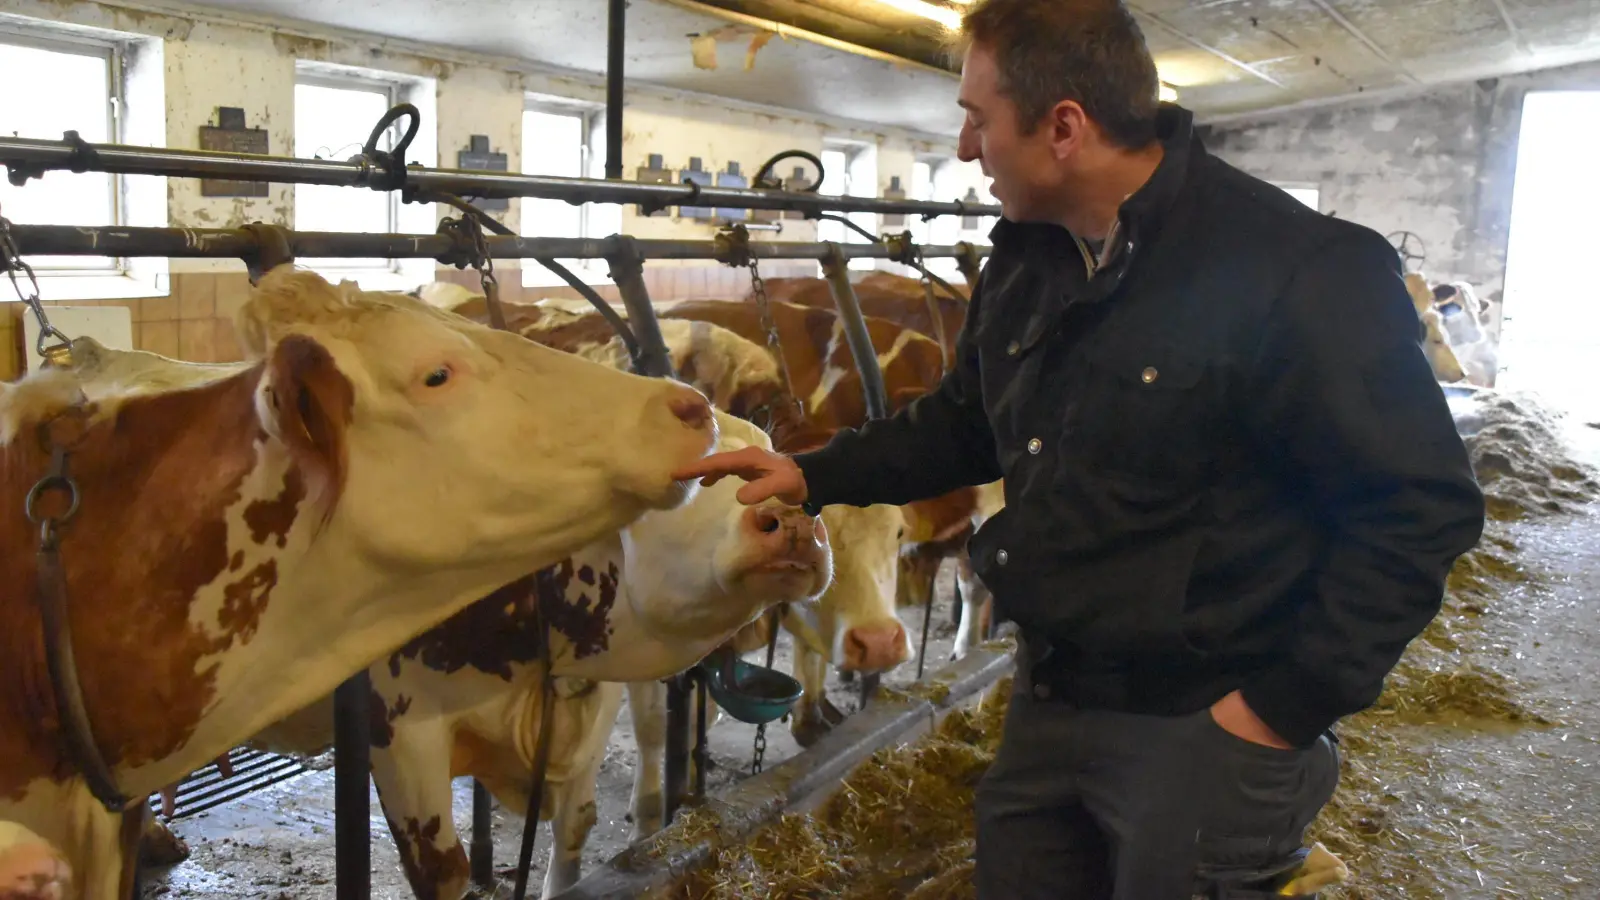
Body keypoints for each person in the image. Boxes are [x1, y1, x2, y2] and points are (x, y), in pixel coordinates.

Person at [671, 0, 1487, 897]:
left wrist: (1283, 708)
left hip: (1204, 729)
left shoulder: (1302, 269)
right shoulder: (1027, 262)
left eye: (978, 120)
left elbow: (1419, 506)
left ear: (1063, 126)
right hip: (1050, 695)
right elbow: (966, 423)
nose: (964, 150)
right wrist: (814, 472)